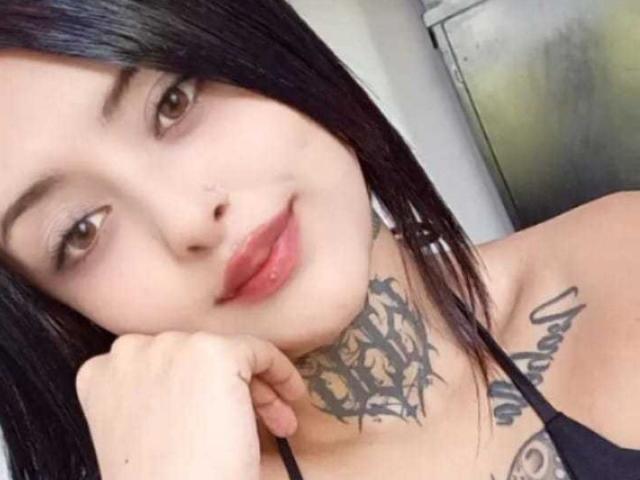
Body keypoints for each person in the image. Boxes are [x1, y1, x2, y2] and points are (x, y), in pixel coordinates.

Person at [1, 1, 639, 479]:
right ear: (55, 313)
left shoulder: (621, 262)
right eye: (80, 231)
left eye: (173, 101)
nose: (187, 219)